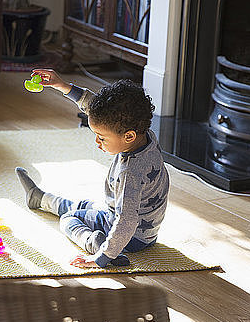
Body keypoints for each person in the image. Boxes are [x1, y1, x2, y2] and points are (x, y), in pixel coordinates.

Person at [15, 69, 169, 269]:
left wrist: (101, 257)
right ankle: (39, 198)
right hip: (143, 229)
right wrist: (61, 85)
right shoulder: (142, 131)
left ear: (129, 136)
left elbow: (126, 221)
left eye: (102, 137)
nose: (97, 141)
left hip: (131, 237)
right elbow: (96, 107)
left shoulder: (130, 172)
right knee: (85, 205)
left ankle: (93, 242)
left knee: (69, 219)